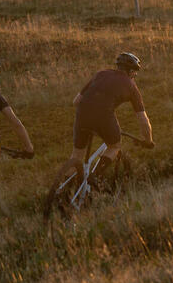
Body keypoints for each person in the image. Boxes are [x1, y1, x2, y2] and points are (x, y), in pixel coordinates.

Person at [56, 51, 154, 189]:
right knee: (114, 146)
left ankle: (62, 191)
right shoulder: (132, 87)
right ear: (131, 71)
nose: (135, 76)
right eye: (135, 73)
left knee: (77, 156)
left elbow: (76, 101)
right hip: (104, 116)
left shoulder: (100, 74)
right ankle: (95, 174)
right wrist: (148, 141)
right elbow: (143, 120)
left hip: (82, 113)